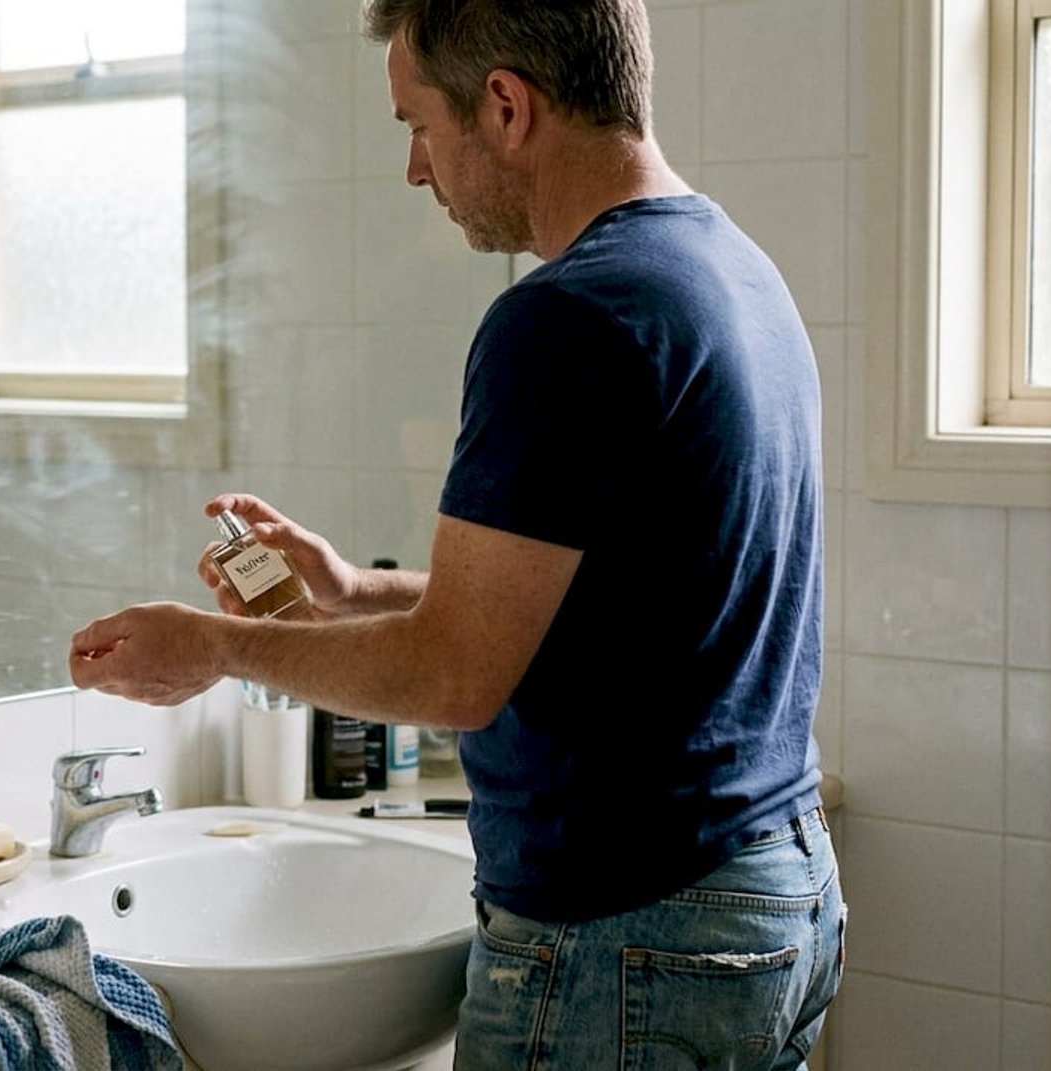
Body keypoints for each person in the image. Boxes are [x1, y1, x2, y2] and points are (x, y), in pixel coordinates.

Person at [69, 1, 842, 1065]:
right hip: (770, 892)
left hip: (629, 928)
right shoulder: (730, 270)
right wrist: (353, 591)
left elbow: (452, 676)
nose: (414, 169)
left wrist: (213, 646)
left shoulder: (564, 317)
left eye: (418, 125)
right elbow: (614, 595)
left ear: (507, 107)